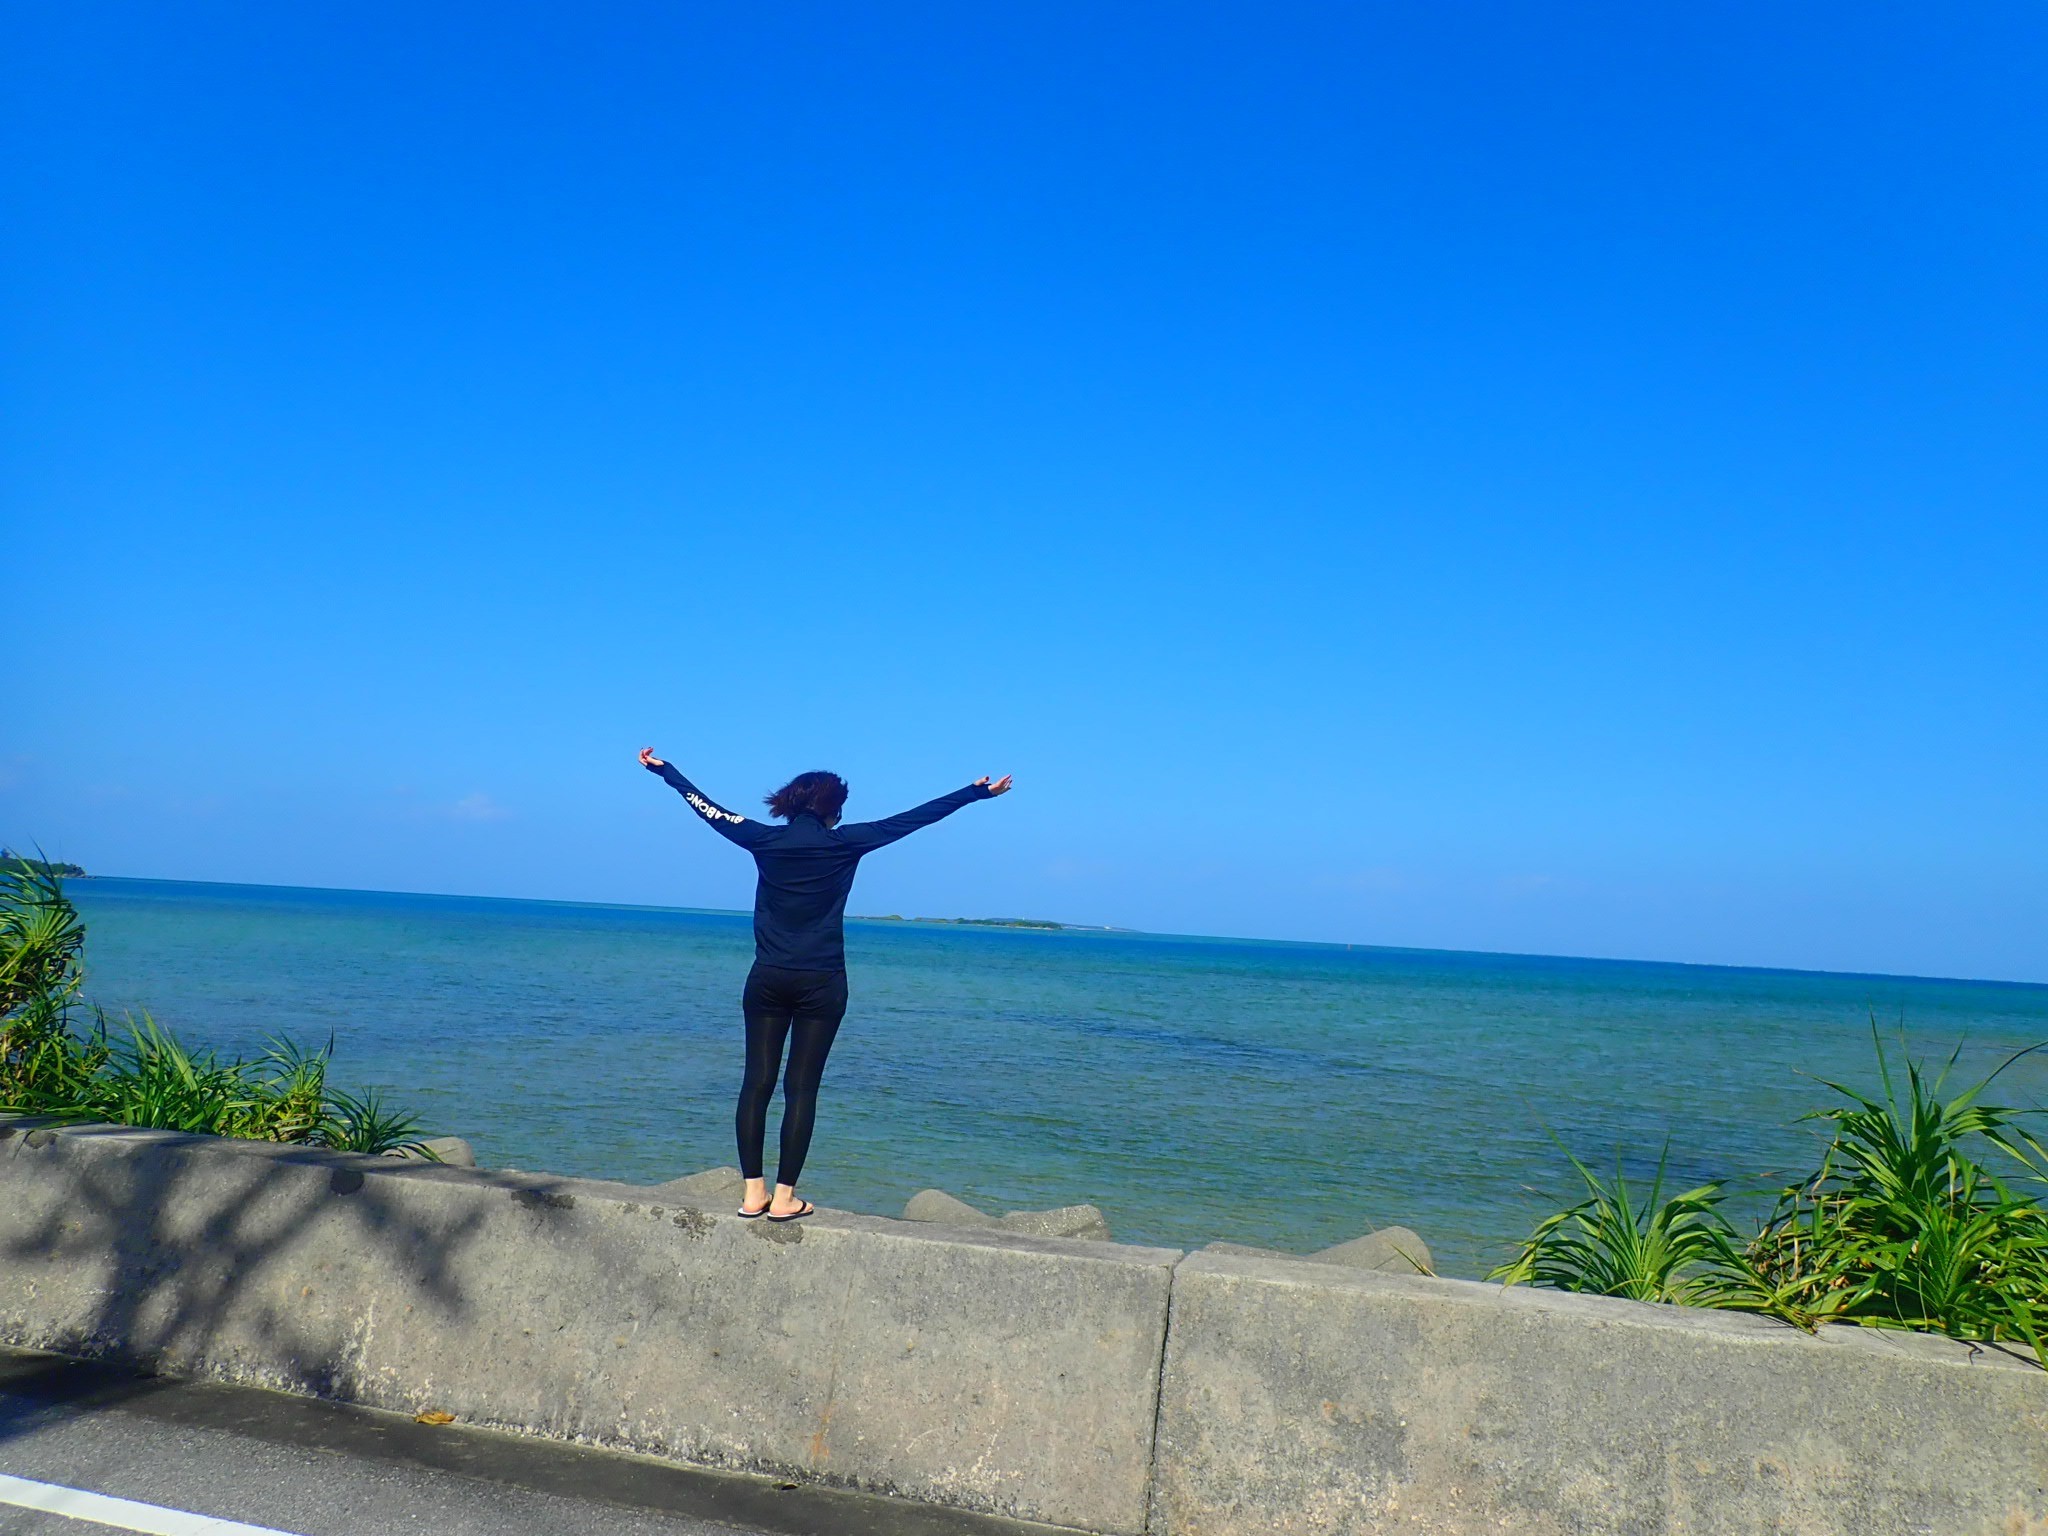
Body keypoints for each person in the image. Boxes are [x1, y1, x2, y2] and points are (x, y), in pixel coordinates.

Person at [638, 747, 1012, 1221]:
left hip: (767, 978)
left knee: (756, 1083)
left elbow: (707, 807)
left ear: (791, 804)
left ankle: (753, 1194)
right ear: (833, 810)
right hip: (822, 982)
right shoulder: (846, 842)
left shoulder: (762, 839)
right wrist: (976, 793)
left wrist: (666, 771)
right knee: (802, 1089)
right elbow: (914, 819)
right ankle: (785, 1197)